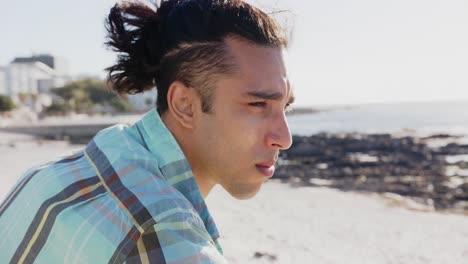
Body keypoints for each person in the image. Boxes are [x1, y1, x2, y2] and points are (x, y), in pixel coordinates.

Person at [0, 0, 294, 263]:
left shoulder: (45, 176)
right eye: (258, 104)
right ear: (184, 105)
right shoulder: (165, 241)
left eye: (286, 107)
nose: (285, 138)